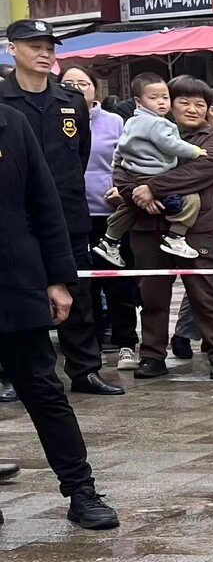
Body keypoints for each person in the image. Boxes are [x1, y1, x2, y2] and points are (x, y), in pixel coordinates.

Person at [0, 102, 118, 531]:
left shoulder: (11, 123)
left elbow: (45, 203)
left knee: (46, 393)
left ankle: (81, 490)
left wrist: (58, 278)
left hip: (15, 281)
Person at [0, 19, 124, 397]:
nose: (44, 53)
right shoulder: (2, 102)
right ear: (12, 49)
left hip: (66, 214)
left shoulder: (70, 102)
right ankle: (8, 373)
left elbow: (80, 155)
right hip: (14, 219)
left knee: (79, 294)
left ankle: (84, 369)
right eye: (34, 46)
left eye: (50, 47)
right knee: (11, 294)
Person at [119, 75, 213, 382]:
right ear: (167, 104)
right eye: (183, 102)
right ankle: (151, 355)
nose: (192, 109)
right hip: (149, 224)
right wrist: (137, 193)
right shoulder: (140, 133)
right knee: (152, 293)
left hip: (197, 227)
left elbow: (201, 171)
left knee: (205, 291)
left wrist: (152, 187)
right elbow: (121, 170)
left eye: (200, 104)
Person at [65, 65, 138, 368]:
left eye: (83, 83)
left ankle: (126, 343)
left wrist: (122, 189)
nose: (77, 88)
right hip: (71, 213)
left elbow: (128, 159)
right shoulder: (57, 118)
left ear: (96, 89)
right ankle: (89, 344)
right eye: (69, 83)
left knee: (118, 282)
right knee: (82, 284)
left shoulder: (114, 121)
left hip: (110, 214)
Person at [99, 75, 209, 261]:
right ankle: (176, 237)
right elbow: (170, 144)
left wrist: (116, 163)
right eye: (154, 98)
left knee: (129, 207)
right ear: (138, 101)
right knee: (191, 199)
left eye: (165, 98)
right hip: (153, 174)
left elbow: (120, 148)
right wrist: (195, 151)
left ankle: (109, 240)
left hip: (134, 174)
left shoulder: (132, 121)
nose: (161, 102)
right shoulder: (156, 123)